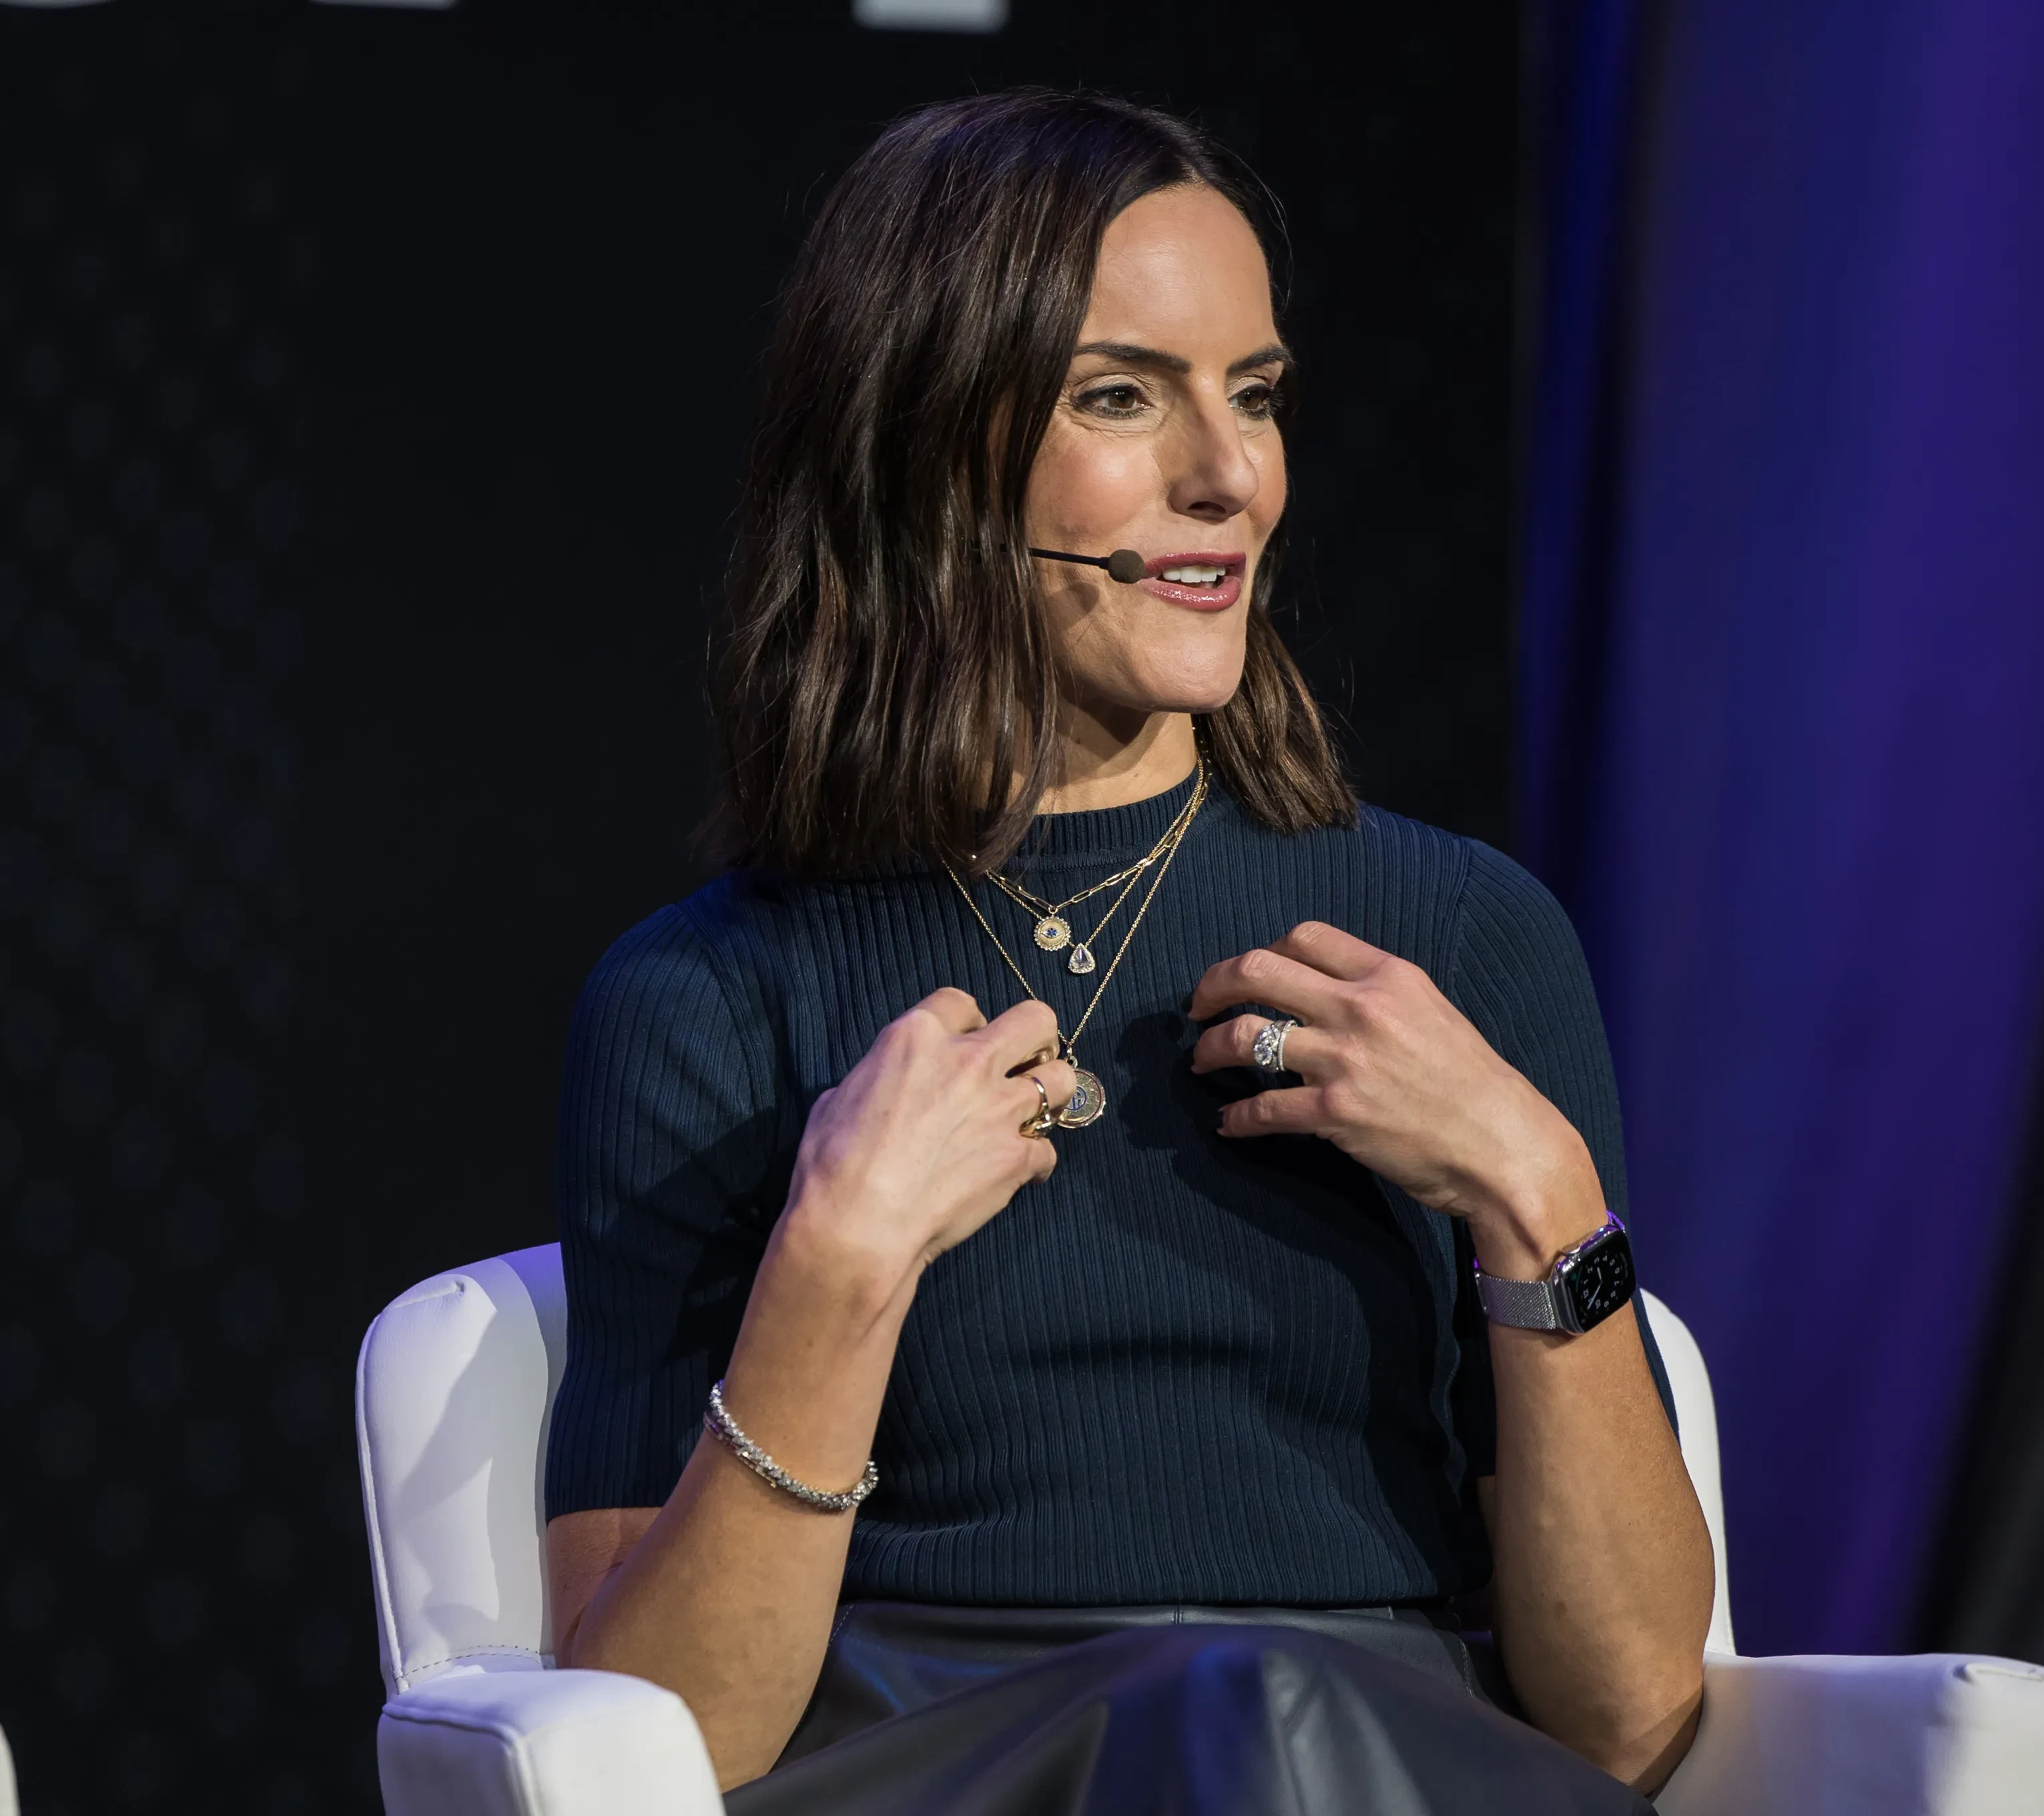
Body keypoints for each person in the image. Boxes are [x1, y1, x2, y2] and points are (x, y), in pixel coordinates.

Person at [542, 89, 1712, 1813]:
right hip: (928, 1762)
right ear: (924, 447)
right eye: (1120, 396)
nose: (1231, 476)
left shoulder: (1462, 939)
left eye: (1257, 394)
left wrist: (1536, 1191)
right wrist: (838, 1267)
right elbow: (647, 1746)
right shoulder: (708, 1004)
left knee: (1260, 1720)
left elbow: (1627, 1718)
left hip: (1382, 1761)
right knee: (1230, 1719)